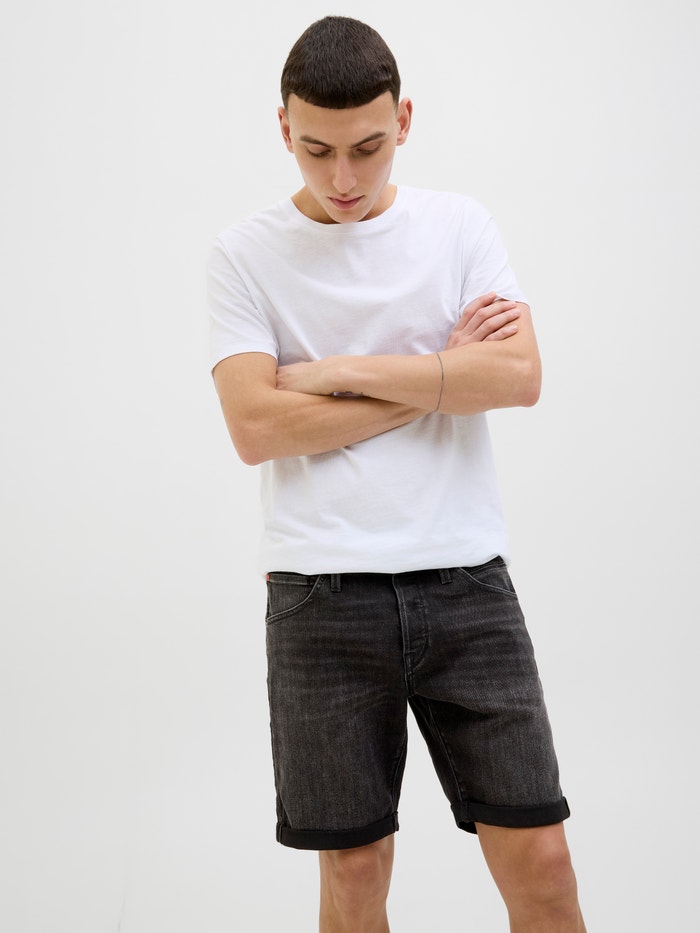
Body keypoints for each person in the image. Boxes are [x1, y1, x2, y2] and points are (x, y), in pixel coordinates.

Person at [208, 15, 586, 932]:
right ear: (284, 128)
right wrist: (442, 374)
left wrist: (335, 372)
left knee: (541, 858)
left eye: (368, 147)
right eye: (317, 150)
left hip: (467, 584)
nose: (343, 177)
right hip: (320, 596)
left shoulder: (460, 227)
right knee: (354, 872)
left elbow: (519, 377)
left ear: (404, 121)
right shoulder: (243, 254)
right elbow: (257, 428)